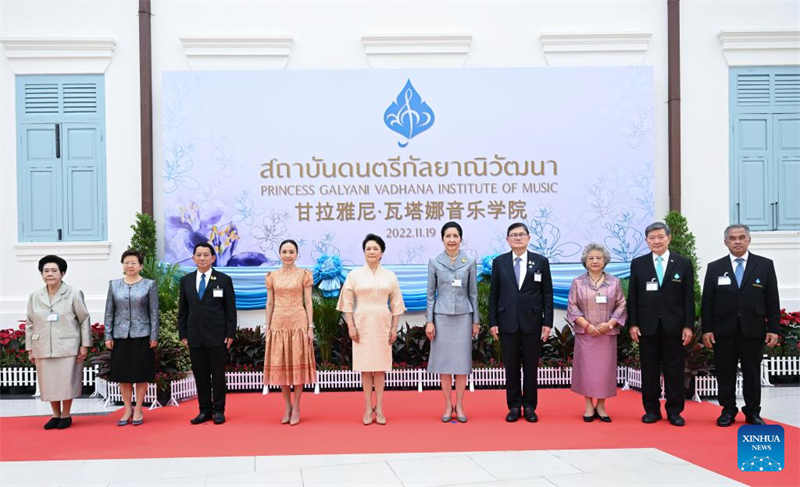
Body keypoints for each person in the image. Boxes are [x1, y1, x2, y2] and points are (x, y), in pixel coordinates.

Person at [701, 224, 780, 426]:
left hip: (753, 330)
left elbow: (772, 300)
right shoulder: (715, 267)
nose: (737, 241)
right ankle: (727, 410)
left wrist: (773, 328)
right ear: (725, 242)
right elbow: (707, 302)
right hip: (723, 331)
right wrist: (707, 329)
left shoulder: (764, 265)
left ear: (748, 240)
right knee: (725, 373)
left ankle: (753, 412)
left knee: (752, 373)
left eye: (741, 237)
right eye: (733, 238)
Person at [627, 221, 695, 426]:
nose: (656, 241)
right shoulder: (639, 263)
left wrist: (688, 325)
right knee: (649, 371)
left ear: (668, 238)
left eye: (660, 237)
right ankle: (651, 410)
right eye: (652, 238)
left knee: (674, 371)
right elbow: (633, 297)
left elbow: (688, 297)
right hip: (647, 327)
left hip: (674, 327)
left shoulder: (682, 263)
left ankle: (675, 411)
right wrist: (633, 324)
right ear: (647, 241)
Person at [337, 233, 406, 425]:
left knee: (381, 369)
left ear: (382, 252)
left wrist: (394, 329)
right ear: (364, 252)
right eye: (368, 248)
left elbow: (397, 304)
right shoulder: (354, 275)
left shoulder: (390, 275)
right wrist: (350, 326)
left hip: (383, 324)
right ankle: (368, 408)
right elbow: (347, 303)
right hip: (362, 324)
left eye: (376, 248)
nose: (372, 252)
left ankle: (381, 409)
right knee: (365, 369)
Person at [489, 222, 553, 423]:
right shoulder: (499, 262)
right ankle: (514, 406)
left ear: (528, 238)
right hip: (507, 322)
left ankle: (530, 406)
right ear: (507, 239)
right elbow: (494, 294)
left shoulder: (540, 261)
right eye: (513, 235)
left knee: (531, 367)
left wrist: (547, 323)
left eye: (521, 234)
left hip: (532, 322)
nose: (517, 238)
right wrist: (493, 322)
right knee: (511, 367)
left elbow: (547, 294)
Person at [25, 255, 90, 430]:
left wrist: (85, 345)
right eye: (46, 271)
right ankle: (55, 415)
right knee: (49, 382)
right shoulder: (34, 296)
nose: (50, 274)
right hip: (43, 345)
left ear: (62, 273)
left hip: (67, 345)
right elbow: (29, 323)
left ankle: (66, 415)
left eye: (54, 270)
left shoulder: (74, 293)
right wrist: (30, 348)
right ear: (41, 274)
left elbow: (84, 319)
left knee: (66, 382)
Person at [425, 222, 480, 423]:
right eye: (448, 236)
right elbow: (430, 294)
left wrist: (476, 321)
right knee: (445, 364)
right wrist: (429, 321)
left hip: (464, 317)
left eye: (455, 236)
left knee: (461, 364)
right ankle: (448, 405)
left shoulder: (469, 261)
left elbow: (473, 293)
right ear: (442, 239)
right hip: (441, 317)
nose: (451, 239)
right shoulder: (435, 262)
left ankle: (461, 404)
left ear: (460, 239)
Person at [566, 243, 627, 422]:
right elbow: (572, 305)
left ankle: (601, 405)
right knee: (587, 371)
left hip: (607, 335)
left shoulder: (614, 282)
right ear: (585, 261)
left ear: (605, 261)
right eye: (591, 258)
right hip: (586, 334)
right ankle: (588, 406)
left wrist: (609, 325)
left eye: (598, 258)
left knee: (604, 371)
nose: (594, 261)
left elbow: (621, 305)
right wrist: (587, 326)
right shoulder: (578, 282)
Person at [178, 242, 237, 425]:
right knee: (200, 375)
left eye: (206, 255)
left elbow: (230, 310)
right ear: (194, 258)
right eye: (199, 255)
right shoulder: (186, 280)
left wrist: (230, 333)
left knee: (218, 375)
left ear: (213, 258)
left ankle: (219, 410)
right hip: (195, 336)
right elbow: (183, 311)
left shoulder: (223, 279)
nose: (202, 258)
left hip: (217, 336)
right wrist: (183, 334)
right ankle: (204, 411)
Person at [263, 239, 316, 425]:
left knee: (297, 366)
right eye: (284, 251)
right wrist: (267, 327)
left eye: (291, 251)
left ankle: (298, 405)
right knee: (282, 366)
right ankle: (287, 406)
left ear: (297, 254)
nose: (288, 255)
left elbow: (308, 302)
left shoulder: (304, 274)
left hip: (299, 323)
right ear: (279, 254)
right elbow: (269, 303)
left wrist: (310, 327)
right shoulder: (272, 276)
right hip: (278, 324)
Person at [104, 249, 159, 426]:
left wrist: (154, 335)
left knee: (141, 374)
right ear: (123, 265)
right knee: (123, 375)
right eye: (126, 262)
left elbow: (154, 313)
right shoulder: (114, 285)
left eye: (134, 262)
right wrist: (108, 335)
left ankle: (139, 409)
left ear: (140, 265)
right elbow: (109, 312)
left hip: (142, 335)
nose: (130, 265)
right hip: (120, 336)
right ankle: (127, 408)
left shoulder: (149, 285)